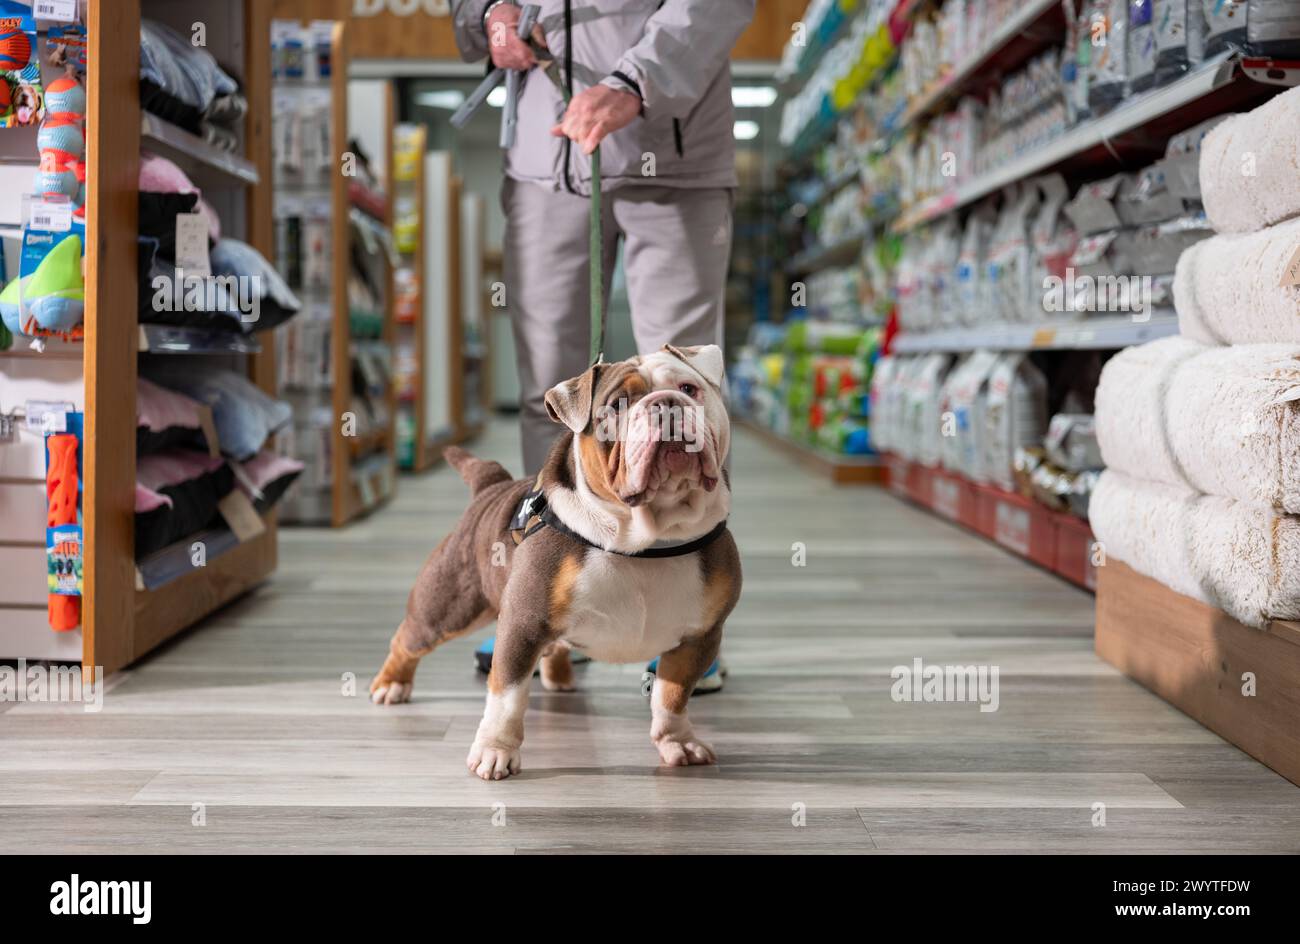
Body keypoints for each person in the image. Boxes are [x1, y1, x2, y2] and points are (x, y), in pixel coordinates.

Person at [452, 0, 754, 692]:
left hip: (673, 148)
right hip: (544, 157)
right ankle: (551, 606)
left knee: (687, 391)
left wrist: (634, 82)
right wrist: (486, 19)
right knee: (550, 398)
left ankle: (689, 629)